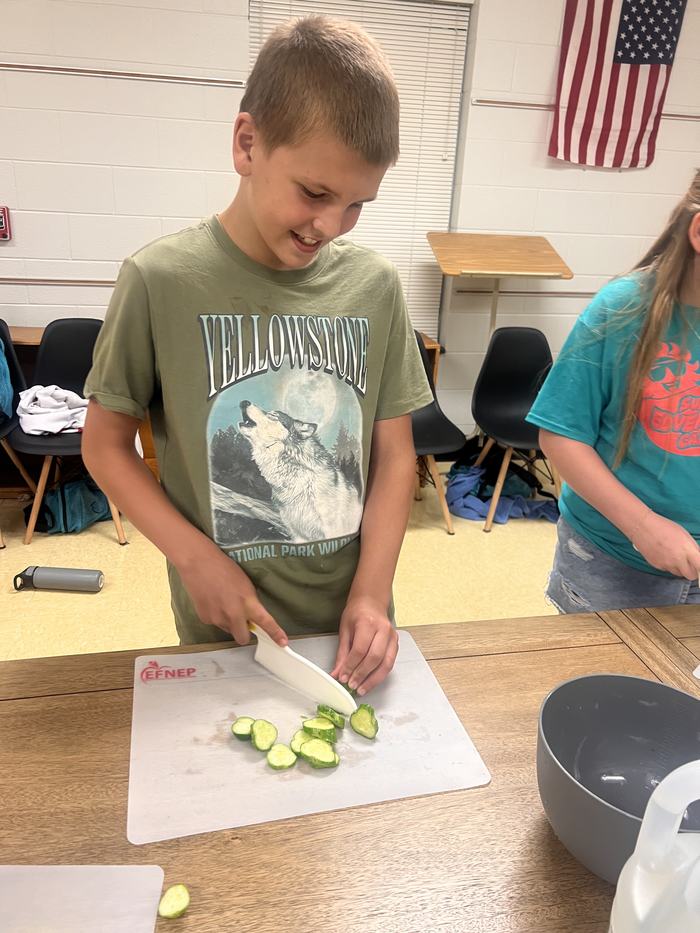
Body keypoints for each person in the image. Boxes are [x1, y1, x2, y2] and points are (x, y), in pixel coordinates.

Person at [82, 16, 432, 696]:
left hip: (353, 630)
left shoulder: (375, 286)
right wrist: (193, 558)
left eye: (357, 204)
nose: (329, 227)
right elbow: (104, 445)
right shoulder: (159, 280)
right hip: (228, 629)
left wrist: (372, 590)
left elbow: (395, 457)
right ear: (247, 144)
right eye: (314, 193)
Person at [527, 170, 700, 612]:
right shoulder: (622, 309)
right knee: (603, 679)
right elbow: (561, 435)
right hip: (612, 562)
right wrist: (643, 526)